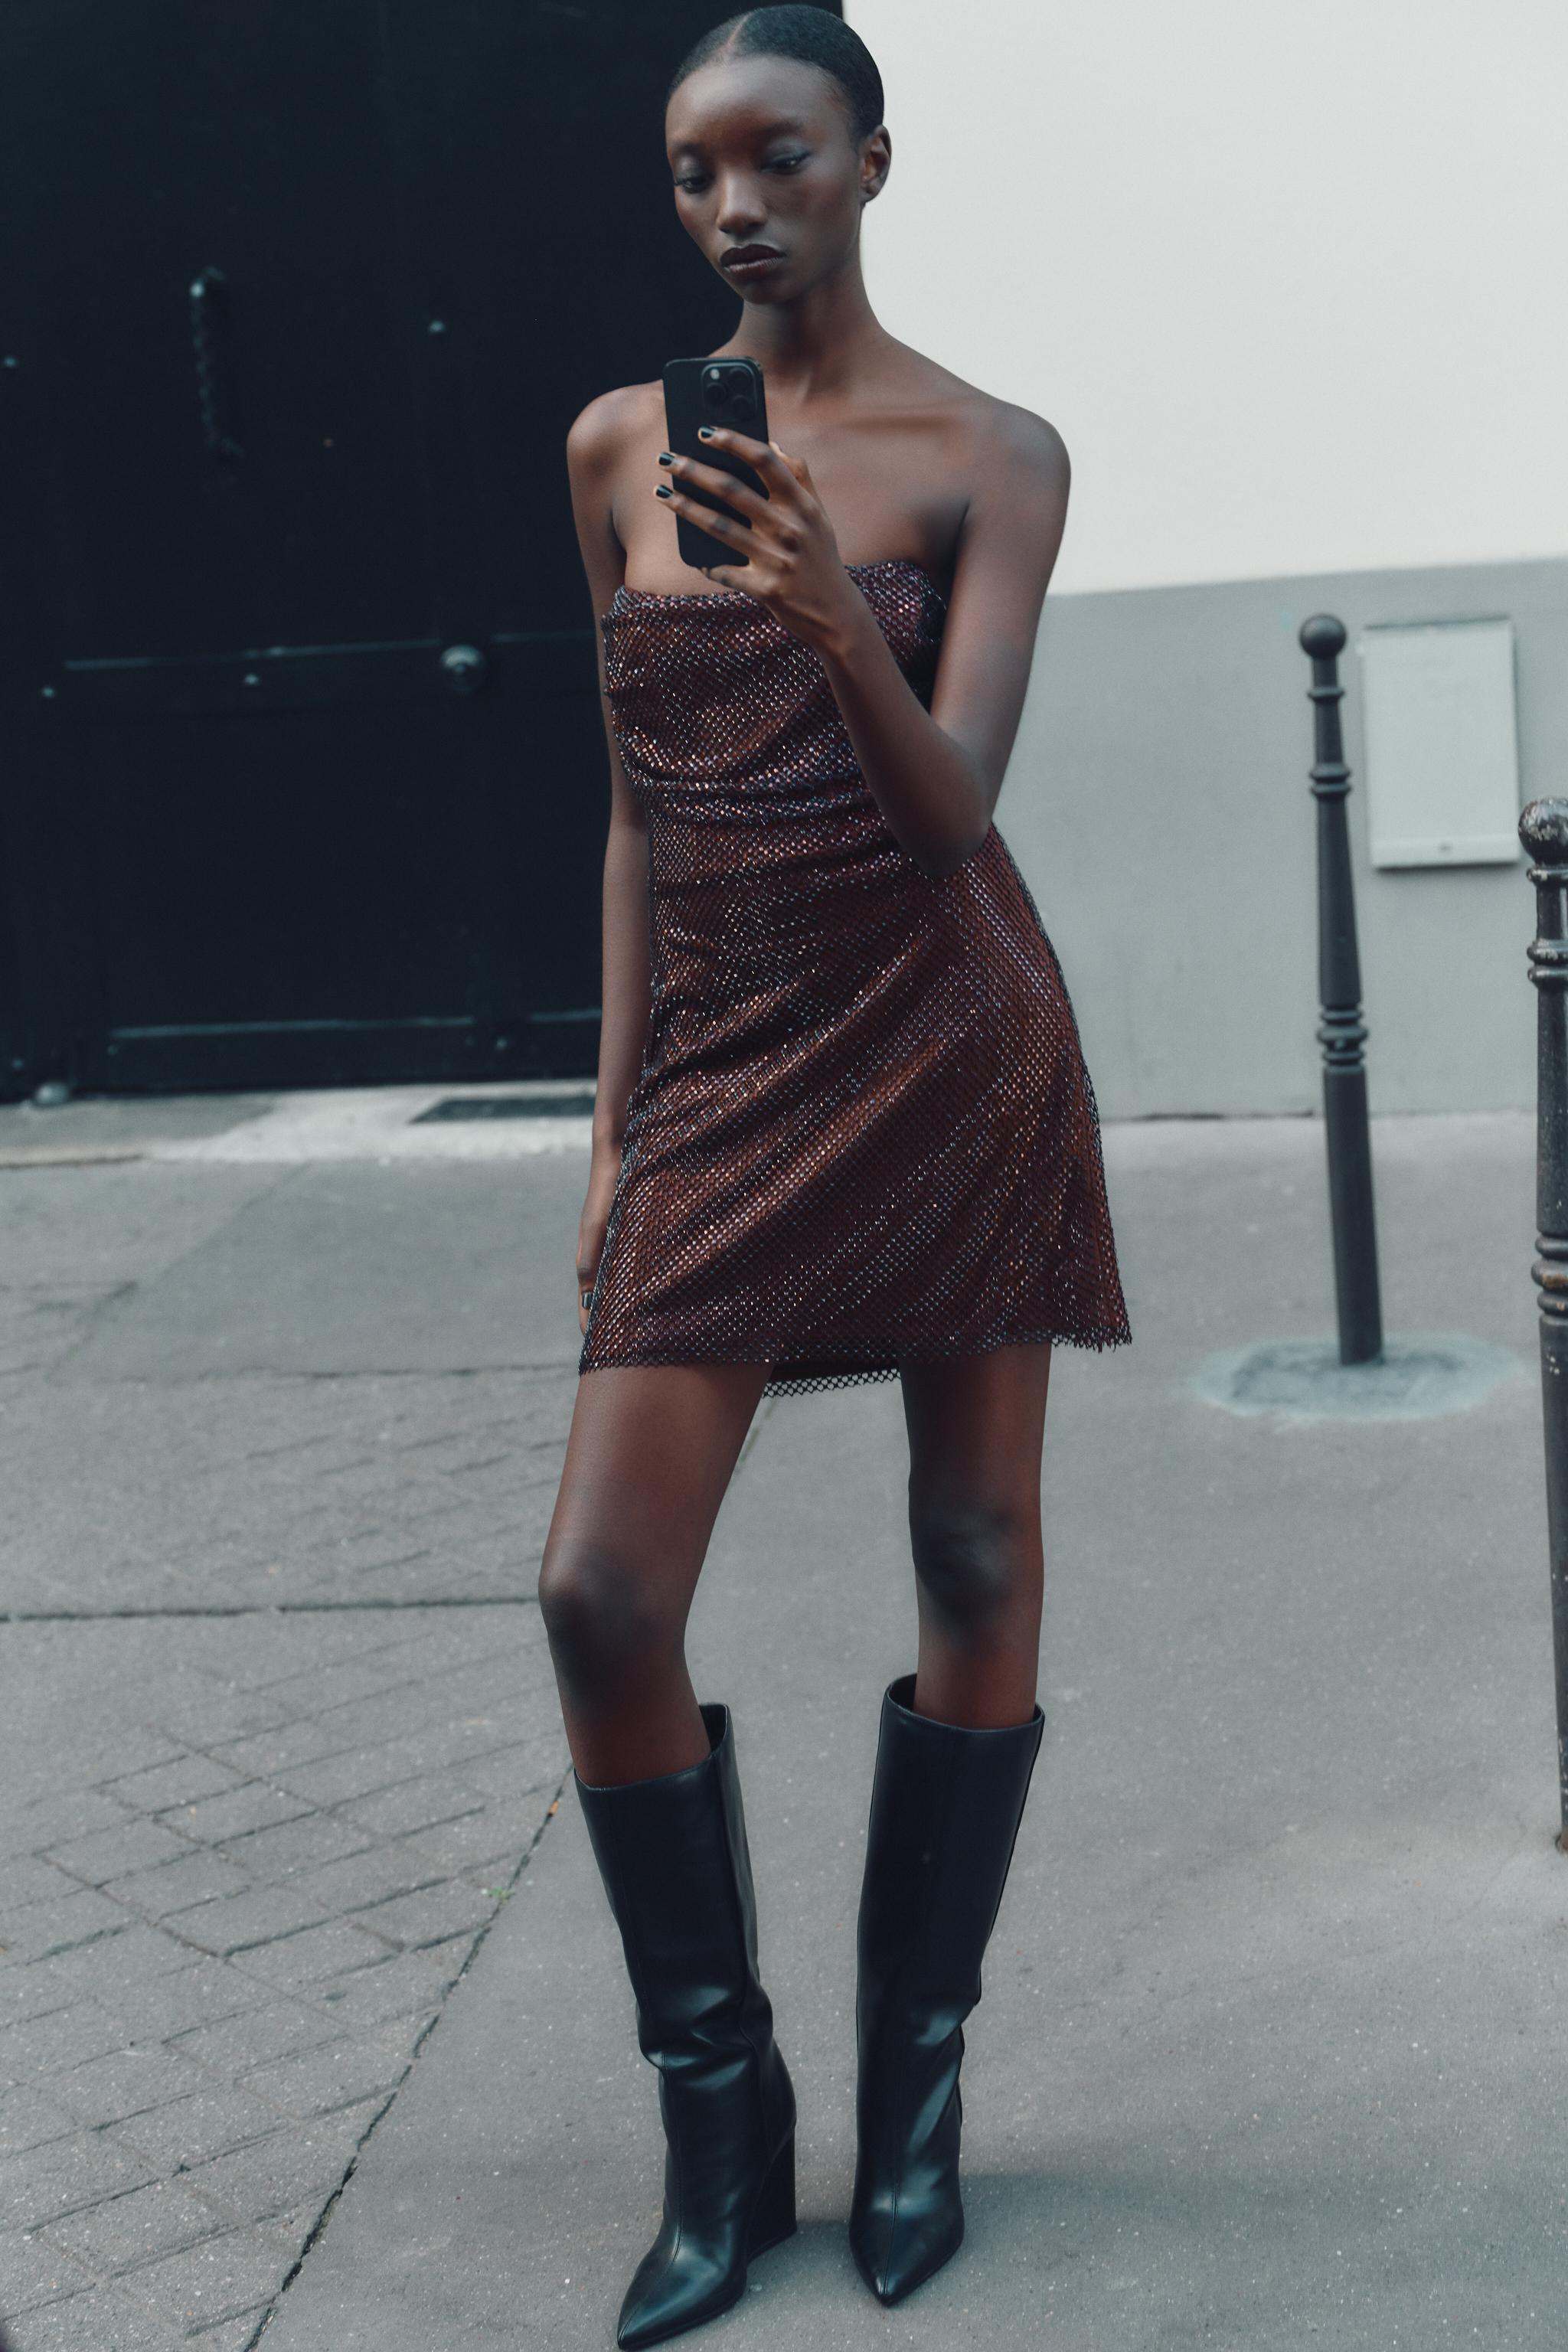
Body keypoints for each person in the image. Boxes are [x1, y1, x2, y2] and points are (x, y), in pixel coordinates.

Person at [539, 8, 1131, 2344]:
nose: (735, 208)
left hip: (947, 1036)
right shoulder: (612, 444)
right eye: (695, 174)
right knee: (599, 1588)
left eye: (779, 159)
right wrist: (611, 1132)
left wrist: (814, 609)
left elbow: (956, 805)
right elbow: (631, 817)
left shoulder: (992, 453)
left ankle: (914, 2101)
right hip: (722, 1062)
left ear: (874, 161)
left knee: (974, 1543)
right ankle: (723, 2124)